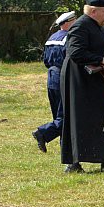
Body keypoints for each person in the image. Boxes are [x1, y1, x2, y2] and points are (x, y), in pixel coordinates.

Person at [60, 0, 104, 175]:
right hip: (79, 82)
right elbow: (75, 52)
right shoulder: (80, 26)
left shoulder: (99, 27)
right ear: (93, 11)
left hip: (95, 82)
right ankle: (73, 163)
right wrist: (101, 60)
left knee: (102, 119)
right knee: (77, 120)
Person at [32, 11, 76, 153]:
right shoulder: (69, 38)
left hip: (51, 76)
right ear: (68, 22)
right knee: (66, 114)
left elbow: (45, 60)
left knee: (58, 112)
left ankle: (64, 146)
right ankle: (42, 133)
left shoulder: (51, 38)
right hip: (64, 76)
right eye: (75, 20)